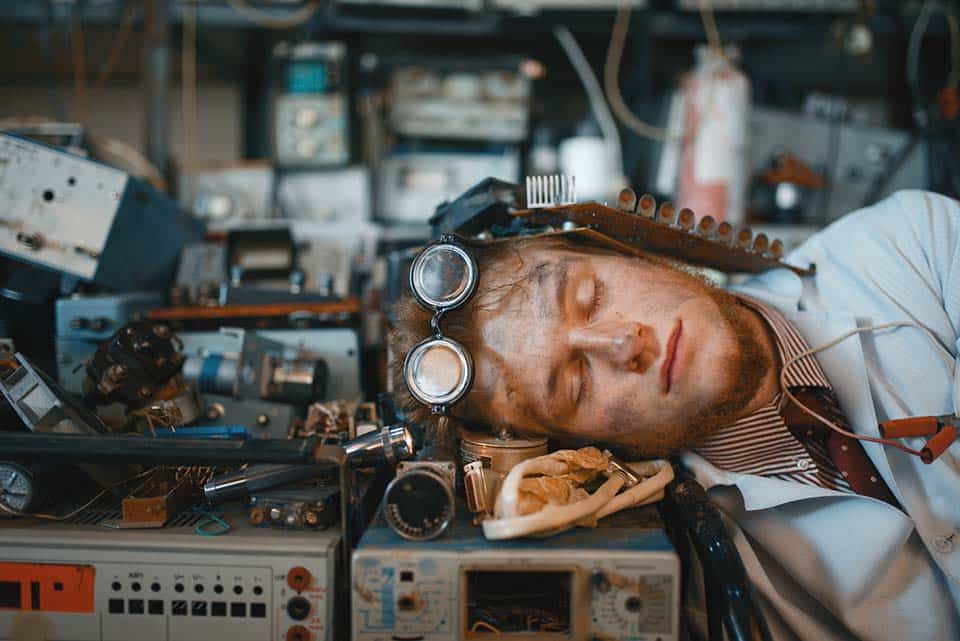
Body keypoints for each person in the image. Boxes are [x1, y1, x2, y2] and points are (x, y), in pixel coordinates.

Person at [390, 189, 960, 641]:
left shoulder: (915, 248)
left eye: (591, 295)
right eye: (574, 383)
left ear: (619, 250)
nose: (622, 345)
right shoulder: (696, 588)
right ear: (574, 445)